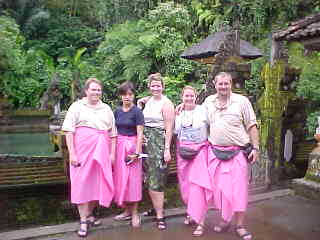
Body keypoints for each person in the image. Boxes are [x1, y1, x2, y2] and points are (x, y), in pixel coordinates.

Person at [204, 72, 259, 240]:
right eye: (220, 84)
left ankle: (240, 225)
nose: (223, 87)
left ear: (231, 83)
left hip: (237, 152)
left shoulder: (242, 102)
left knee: (239, 191)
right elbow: (199, 121)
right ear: (215, 84)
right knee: (220, 191)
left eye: (226, 83)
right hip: (215, 152)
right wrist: (183, 108)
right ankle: (225, 219)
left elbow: (252, 125)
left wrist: (255, 148)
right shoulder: (208, 102)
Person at [62, 78, 117, 237]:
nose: (96, 92)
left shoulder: (106, 108)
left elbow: (113, 134)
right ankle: (83, 220)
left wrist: (112, 153)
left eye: (99, 90)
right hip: (82, 151)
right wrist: (72, 153)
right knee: (81, 183)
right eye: (93, 89)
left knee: (97, 184)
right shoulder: (77, 106)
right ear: (86, 91)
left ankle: (90, 214)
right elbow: (68, 131)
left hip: (102, 151)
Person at [137, 73, 175, 230]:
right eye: (153, 85)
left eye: (158, 85)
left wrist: (166, 149)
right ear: (149, 87)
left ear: (163, 87)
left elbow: (169, 128)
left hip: (159, 143)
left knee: (157, 179)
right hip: (147, 143)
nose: (155, 88)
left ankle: (160, 215)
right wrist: (139, 104)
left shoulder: (166, 104)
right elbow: (141, 121)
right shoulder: (148, 101)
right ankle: (155, 208)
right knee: (148, 177)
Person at [174, 86, 212, 236]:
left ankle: (201, 222)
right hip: (183, 153)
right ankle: (191, 213)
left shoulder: (203, 110)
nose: (189, 98)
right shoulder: (179, 112)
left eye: (191, 96)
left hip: (200, 153)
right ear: (182, 97)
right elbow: (176, 132)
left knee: (198, 186)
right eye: (186, 96)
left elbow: (212, 125)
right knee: (186, 186)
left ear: (196, 97)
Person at [113, 81, 144, 227]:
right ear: (120, 96)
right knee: (120, 179)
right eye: (124, 94)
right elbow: (112, 131)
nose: (127, 97)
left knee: (133, 181)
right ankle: (125, 210)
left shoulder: (137, 112)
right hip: (119, 147)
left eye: (130, 94)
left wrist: (137, 153)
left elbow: (140, 133)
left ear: (134, 95)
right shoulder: (117, 111)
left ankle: (135, 212)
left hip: (132, 147)